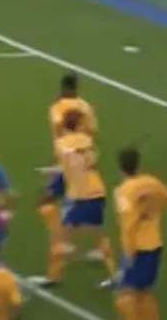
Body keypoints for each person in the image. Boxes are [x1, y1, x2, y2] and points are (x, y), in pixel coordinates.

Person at [28, 110, 116, 289]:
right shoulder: (87, 141)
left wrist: (51, 173)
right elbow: (88, 163)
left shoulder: (60, 144)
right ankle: (114, 275)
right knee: (100, 235)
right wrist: (52, 170)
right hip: (97, 191)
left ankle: (53, 277)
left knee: (60, 237)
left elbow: (67, 165)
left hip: (79, 195)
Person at [38, 73, 99, 259]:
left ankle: (65, 242)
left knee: (53, 200)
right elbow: (94, 131)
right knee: (75, 202)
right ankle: (83, 243)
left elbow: (59, 129)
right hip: (84, 158)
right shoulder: (85, 106)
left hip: (67, 160)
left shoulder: (57, 107)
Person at [114, 147, 167, 320]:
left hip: (137, 248)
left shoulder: (123, 191)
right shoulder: (152, 182)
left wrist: (128, 252)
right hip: (155, 244)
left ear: (120, 168)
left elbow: (129, 223)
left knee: (126, 296)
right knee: (143, 292)